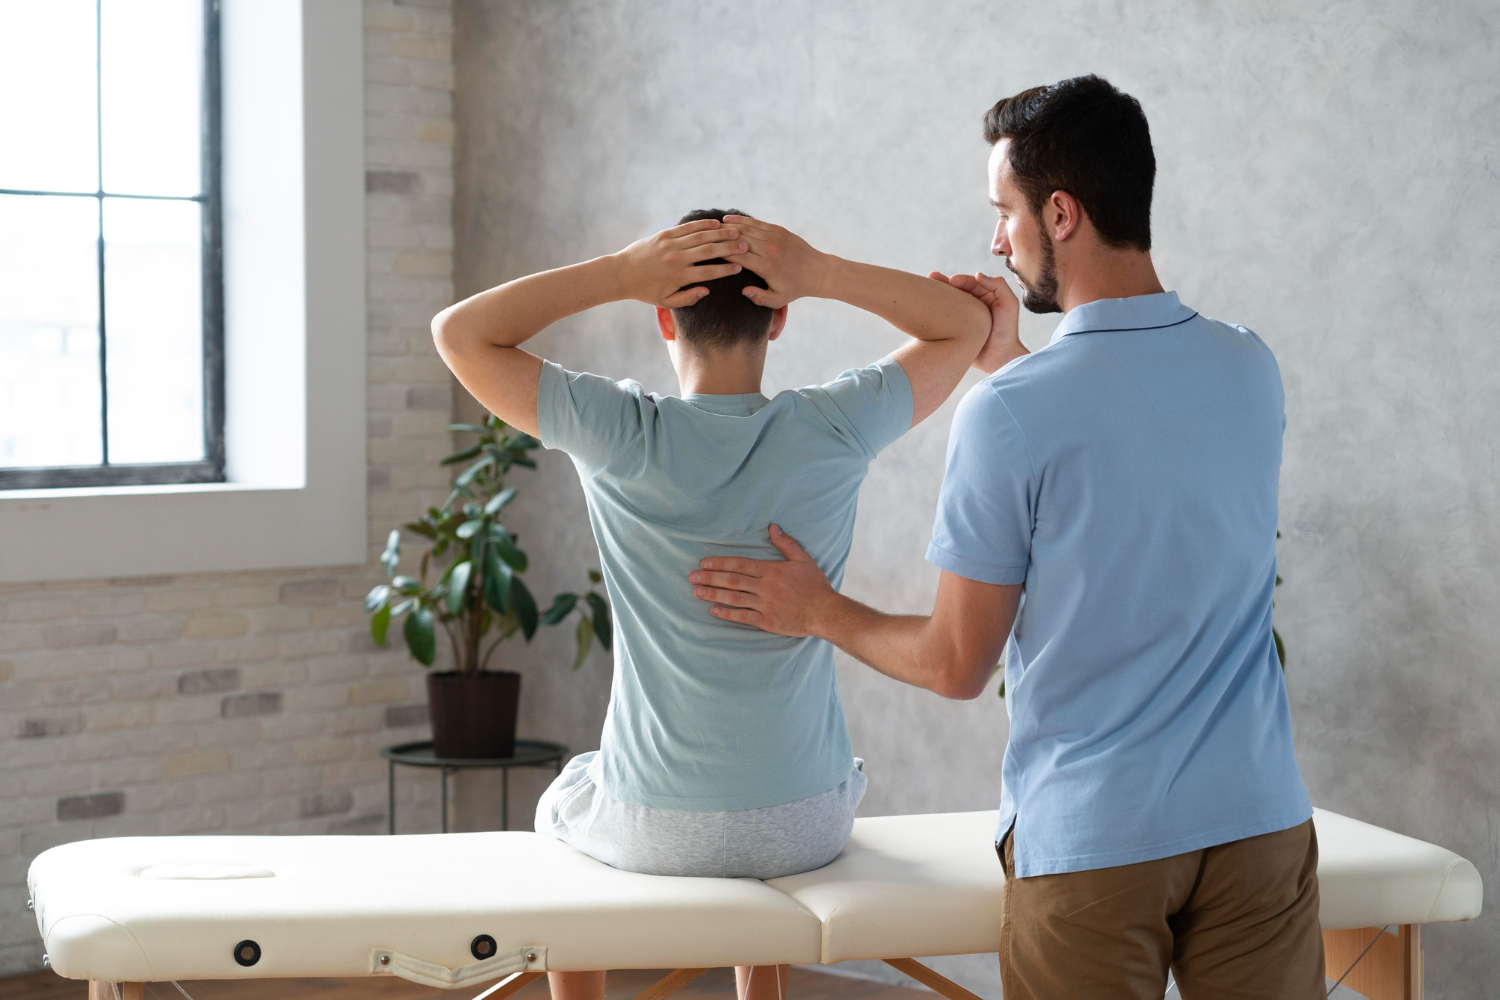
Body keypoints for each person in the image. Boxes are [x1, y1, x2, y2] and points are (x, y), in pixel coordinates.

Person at [688, 77, 1326, 1000]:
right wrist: (1011, 363)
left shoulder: (1013, 414)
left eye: (1006, 212)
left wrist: (819, 610)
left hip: (1099, 844)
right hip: (1259, 821)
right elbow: (1131, 455)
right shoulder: (1246, 364)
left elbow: (955, 663)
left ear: (1060, 213)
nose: (997, 240)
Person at [430, 209, 1003, 1000]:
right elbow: (966, 326)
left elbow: (460, 334)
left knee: (570, 795)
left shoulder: (617, 433)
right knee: (739, 805)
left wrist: (618, 272)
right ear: (781, 317)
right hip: (806, 823)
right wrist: (823, 268)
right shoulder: (831, 427)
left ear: (661, 314)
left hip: (656, 830)